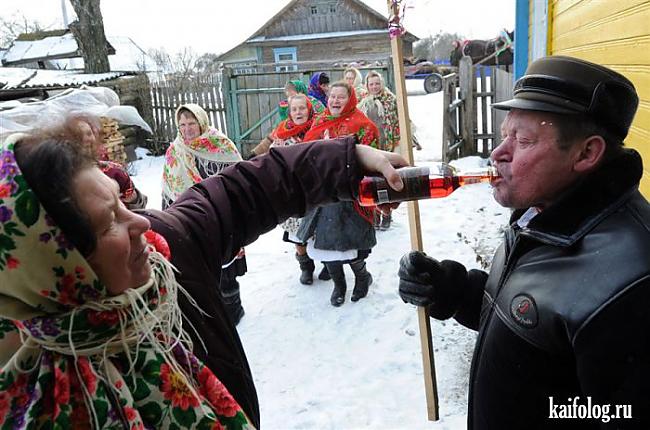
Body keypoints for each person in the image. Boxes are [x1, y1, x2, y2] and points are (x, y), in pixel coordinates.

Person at [0, 121, 407, 427]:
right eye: (109, 222)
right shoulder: (35, 404)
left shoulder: (165, 251)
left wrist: (348, 160)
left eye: (121, 202)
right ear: (53, 267)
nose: (141, 224)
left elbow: (245, 189)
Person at [398, 55, 649, 428]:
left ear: (586, 153)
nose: (498, 154)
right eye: (504, 136)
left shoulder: (632, 281)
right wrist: (454, 291)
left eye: (524, 140)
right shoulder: (543, 213)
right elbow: (535, 321)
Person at [162, 103, 248, 325]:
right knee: (204, 268)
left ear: (201, 122)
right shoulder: (175, 150)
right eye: (182, 124)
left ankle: (233, 309)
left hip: (220, 216)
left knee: (225, 266)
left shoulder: (220, 145)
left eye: (191, 123)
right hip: (189, 219)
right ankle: (215, 311)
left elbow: (238, 180)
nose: (187, 129)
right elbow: (169, 186)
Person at [299, 81, 381, 306]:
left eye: (340, 97)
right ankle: (339, 285)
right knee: (326, 246)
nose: (335, 101)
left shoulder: (364, 126)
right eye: (332, 96)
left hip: (350, 195)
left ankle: (362, 277)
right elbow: (306, 153)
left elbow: (372, 159)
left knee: (352, 245)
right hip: (323, 195)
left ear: (351, 99)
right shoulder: (320, 122)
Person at [357, 71, 401, 230]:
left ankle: (387, 213)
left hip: (386, 145)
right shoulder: (362, 102)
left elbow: (398, 121)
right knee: (372, 182)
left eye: (377, 83)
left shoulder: (391, 100)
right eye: (371, 84)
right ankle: (374, 213)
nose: (374, 87)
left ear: (381, 84)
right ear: (367, 86)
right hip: (371, 147)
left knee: (387, 180)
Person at [248, 80, 324, 158]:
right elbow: (271, 138)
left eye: (302, 108)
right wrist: (254, 155)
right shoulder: (285, 127)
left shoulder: (319, 126)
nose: (298, 112)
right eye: (294, 109)